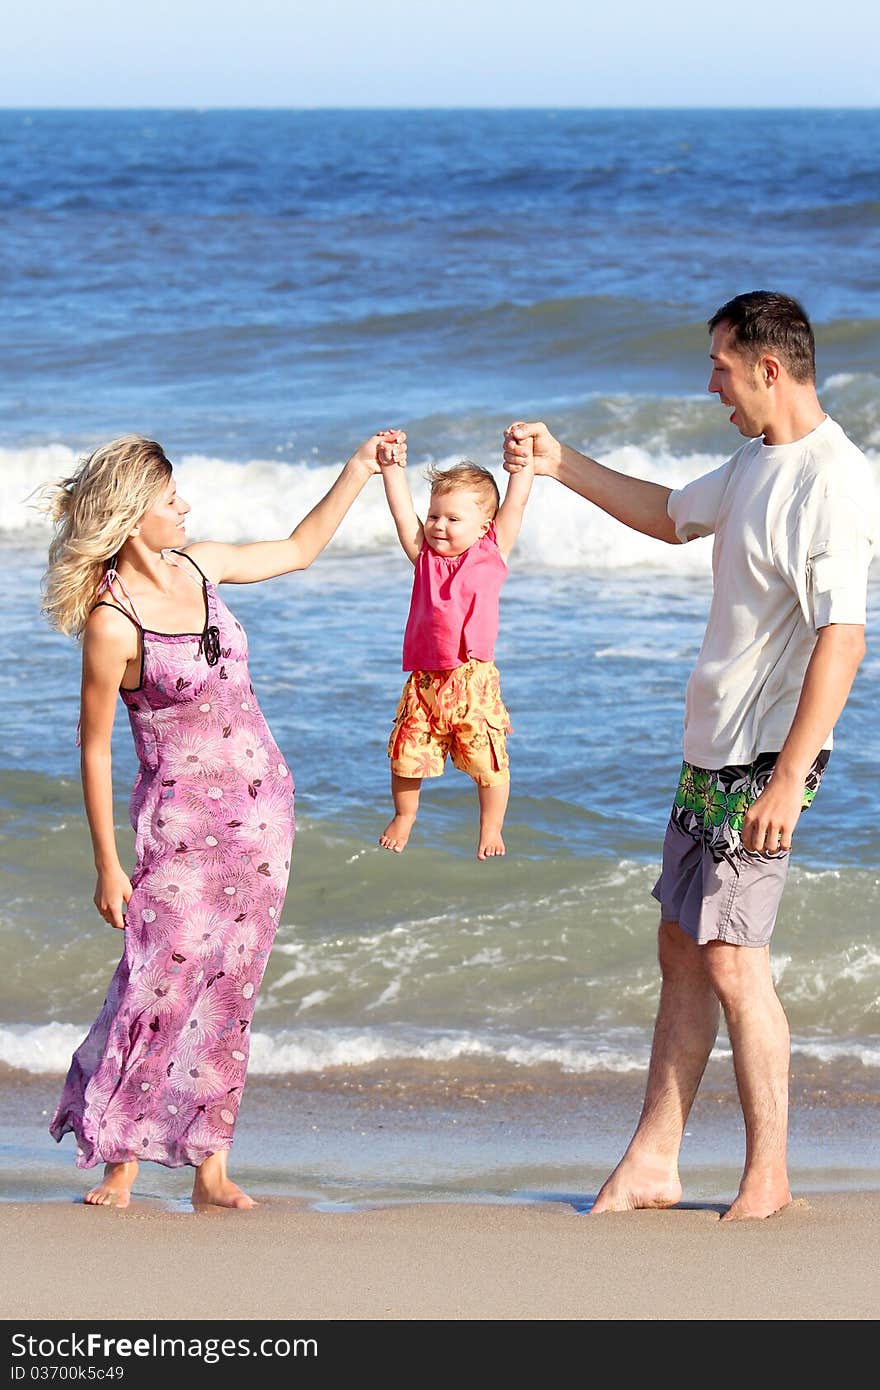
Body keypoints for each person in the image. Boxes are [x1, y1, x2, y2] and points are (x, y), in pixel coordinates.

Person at [503, 290, 875, 1220]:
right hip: (713, 750)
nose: (712, 384)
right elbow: (669, 514)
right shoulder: (757, 461)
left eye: (721, 366)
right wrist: (559, 465)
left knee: (733, 960)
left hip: (764, 759)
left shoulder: (832, 479)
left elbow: (843, 636)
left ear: (770, 369)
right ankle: (655, 1160)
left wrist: (790, 778)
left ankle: (770, 1177)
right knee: (682, 947)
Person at [42, 428, 405, 1209]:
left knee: (231, 989)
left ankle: (211, 1163)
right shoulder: (113, 623)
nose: (185, 507)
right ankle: (120, 1157)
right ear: (136, 514)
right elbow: (96, 747)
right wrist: (107, 863)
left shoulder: (201, 566)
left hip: (261, 816)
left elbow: (300, 549)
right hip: (175, 830)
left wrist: (357, 471)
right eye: (172, 498)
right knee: (157, 986)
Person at [378, 452, 534, 859]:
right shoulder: (424, 559)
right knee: (406, 753)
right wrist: (392, 470)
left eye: (452, 519)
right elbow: (400, 514)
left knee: (489, 761)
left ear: (483, 526)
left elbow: (514, 505)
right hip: (425, 683)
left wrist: (525, 466)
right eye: (434, 516)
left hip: (473, 679)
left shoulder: (492, 552)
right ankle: (405, 816)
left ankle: (491, 827)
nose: (438, 526)